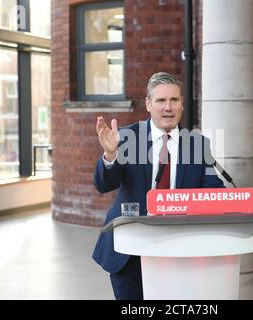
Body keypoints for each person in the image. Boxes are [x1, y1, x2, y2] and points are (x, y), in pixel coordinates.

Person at [92, 72, 225, 300]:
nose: (168, 107)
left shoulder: (197, 144)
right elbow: (104, 184)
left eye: (174, 100)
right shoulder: (125, 137)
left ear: (182, 103)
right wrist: (110, 155)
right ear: (148, 104)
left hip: (177, 251)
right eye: (161, 100)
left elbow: (214, 192)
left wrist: (230, 201)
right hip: (129, 249)